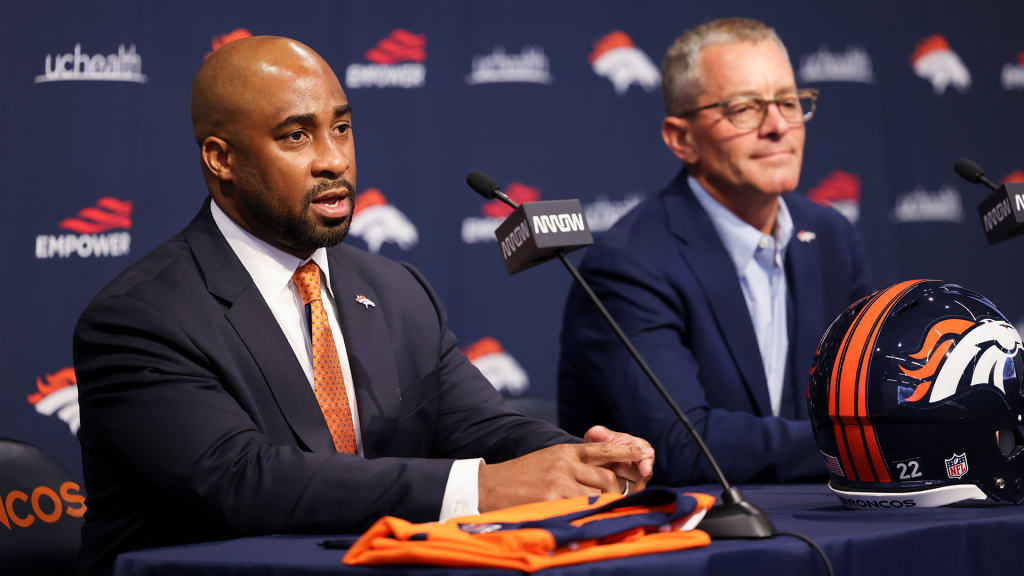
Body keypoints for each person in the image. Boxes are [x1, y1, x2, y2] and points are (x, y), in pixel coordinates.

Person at [73, 36, 654, 576]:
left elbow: (481, 428)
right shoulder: (142, 317)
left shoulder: (397, 289)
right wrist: (483, 489)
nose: (334, 160)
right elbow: (243, 483)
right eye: (296, 136)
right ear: (220, 159)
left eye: (342, 128)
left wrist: (573, 459)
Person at [558, 18, 871, 486]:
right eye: (744, 108)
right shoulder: (629, 262)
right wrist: (868, 441)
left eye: (789, 102)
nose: (777, 126)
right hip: (691, 538)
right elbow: (683, 445)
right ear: (681, 139)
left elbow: (868, 395)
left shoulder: (830, 236)